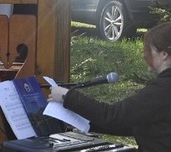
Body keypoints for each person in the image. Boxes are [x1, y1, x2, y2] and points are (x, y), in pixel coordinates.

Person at [49, 21, 171, 152]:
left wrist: (67, 96)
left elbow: (113, 115)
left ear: (164, 54)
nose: (144, 55)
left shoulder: (162, 90)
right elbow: (134, 123)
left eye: (148, 50)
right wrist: (87, 123)